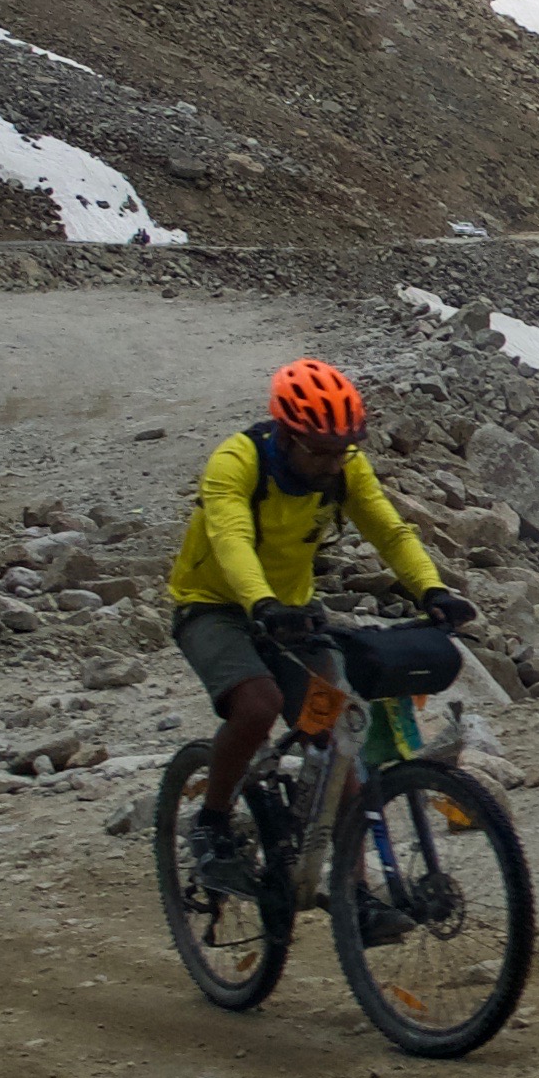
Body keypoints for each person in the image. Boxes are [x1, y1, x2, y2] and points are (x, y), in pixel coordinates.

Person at [168, 357, 474, 895]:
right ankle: (212, 824)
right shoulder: (236, 462)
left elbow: (389, 530)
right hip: (212, 606)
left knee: (334, 742)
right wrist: (261, 602)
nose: (333, 464)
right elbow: (231, 539)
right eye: (320, 451)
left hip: (290, 613)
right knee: (258, 705)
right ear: (287, 434)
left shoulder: (344, 467)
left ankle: (355, 896)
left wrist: (432, 588)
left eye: (342, 451)